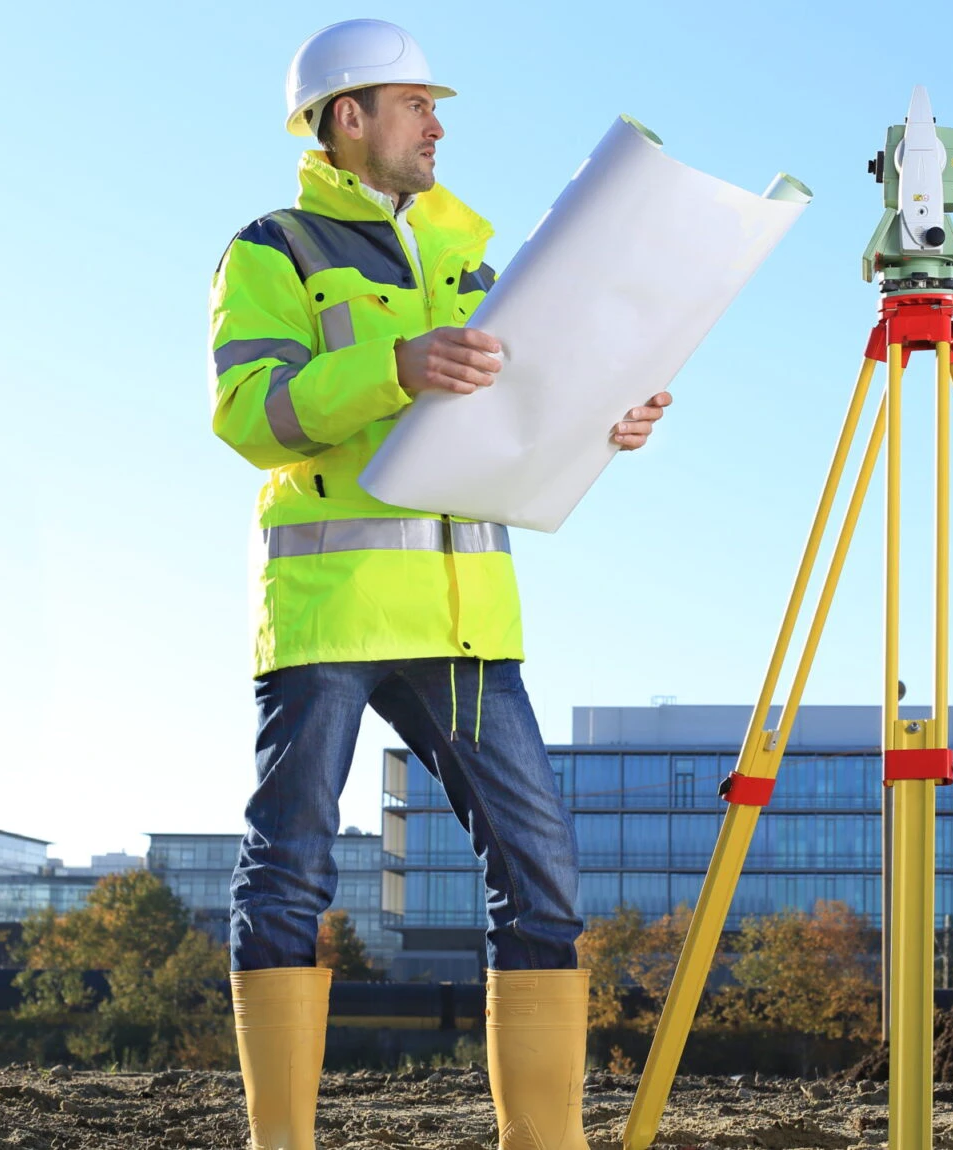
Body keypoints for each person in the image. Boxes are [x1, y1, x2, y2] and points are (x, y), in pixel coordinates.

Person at [207, 19, 667, 1150]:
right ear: (347, 115)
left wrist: (605, 421)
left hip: (465, 621)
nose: (437, 126)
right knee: (291, 875)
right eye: (416, 104)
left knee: (541, 873)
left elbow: (525, 412)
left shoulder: (472, 257)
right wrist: (394, 367)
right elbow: (249, 413)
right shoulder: (274, 249)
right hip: (333, 612)